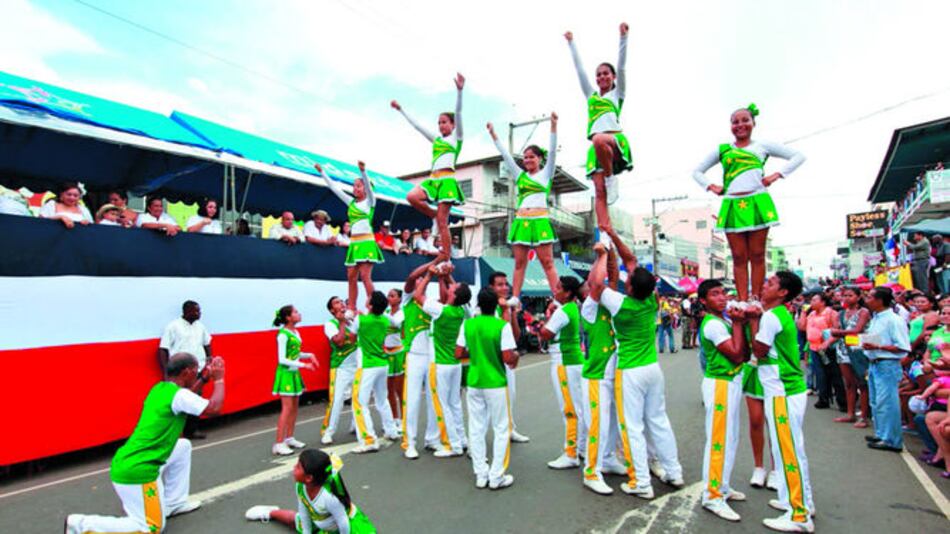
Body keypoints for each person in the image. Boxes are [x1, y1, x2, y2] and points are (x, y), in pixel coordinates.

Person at [65, 354, 225, 533]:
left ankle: (174, 503)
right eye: (195, 371)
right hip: (138, 470)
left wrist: (204, 378)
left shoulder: (160, 389)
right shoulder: (178, 395)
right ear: (186, 372)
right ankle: (81, 524)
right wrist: (219, 379)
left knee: (182, 446)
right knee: (152, 527)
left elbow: (187, 398)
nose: (197, 374)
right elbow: (214, 408)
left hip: (128, 462)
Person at [589, 227, 684, 500]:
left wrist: (603, 252)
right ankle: (673, 471)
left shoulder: (620, 304)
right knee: (658, 421)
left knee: (632, 426)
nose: (627, 276)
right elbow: (631, 262)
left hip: (629, 370)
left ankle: (641, 481)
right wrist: (614, 238)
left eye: (628, 279)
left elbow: (596, 285)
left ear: (630, 287)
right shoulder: (652, 301)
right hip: (653, 369)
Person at [692, 104, 806, 302]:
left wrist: (776, 175)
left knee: (757, 254)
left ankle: (755, 297)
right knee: (738, 256)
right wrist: (712, 186)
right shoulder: (724, 149)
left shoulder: (762, 146)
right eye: (735, 122)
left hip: (757, 202)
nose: (740, 125)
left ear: (753, 123)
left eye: (745, 120)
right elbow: (697, 171)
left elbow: (798, 156)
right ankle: (742, 299)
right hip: (732, 204)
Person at [747, 271, 815, 532]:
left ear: (783, 292)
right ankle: (801, 502)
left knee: (787, 451)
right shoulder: (779, 314)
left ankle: (799, 515)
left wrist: (753, 320)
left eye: (770, 283)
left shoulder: (772, 316)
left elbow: (759, 350)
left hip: (782, 391)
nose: (764, 286)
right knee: (792, 449)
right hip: (786, 390)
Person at [486, 112, 560, 303]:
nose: (527, 160)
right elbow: (505, 155)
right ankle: (516, 297)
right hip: (522, 221)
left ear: (539, 159)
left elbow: (552, 152)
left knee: (547, 263)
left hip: (540, 221)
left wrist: (553, 126)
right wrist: (494, 134)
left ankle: (558, 297)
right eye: (525, 157)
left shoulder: (546, 174)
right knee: (519, 263)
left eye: (531, 157)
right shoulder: (520, 175)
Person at [391, 73, 466, 260]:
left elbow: (458, 112)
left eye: (444, 122)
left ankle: (446, 254)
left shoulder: (456, 139)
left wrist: (459, 91)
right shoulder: (436, 140)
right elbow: (417, 126)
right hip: (433, 179)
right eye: (439, 123)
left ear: (453, 125)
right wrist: (401, 110)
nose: (441, 126)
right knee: (412, 196)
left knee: (443, 222)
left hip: (447, 180)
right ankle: (433, 214)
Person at [564, 23, 630, 228]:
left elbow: (621, 66)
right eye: (599, 74)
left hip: (613, 140)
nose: (602, 77)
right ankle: (605, 234)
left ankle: (611, 176)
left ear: (613, 78)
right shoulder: (591, 96)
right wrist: (571, 43)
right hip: (597, 149)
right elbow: (579, 69)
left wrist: (623, 38)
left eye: (606, 74)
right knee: (599, 193)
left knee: (599, 138)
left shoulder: (617, 94)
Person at [456, 286, 519, 490]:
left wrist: (477, 352)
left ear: (479, 305)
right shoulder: (502, 326)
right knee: (501, 428)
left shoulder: (468, 324)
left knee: (476, 427)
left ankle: (480, 474)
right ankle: (496, 475)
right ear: (496, 306)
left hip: (474, 380)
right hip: (495, 382)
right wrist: (516, 356)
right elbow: (508, 358)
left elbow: (458, 353)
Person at [697, 279, 750, 522]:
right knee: (719, 440)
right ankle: (712, 495)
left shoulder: (723, 321)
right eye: (715, 294)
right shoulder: (713, 325)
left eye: (723, 293)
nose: (722, 297)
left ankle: (723, 485)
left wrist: (739, 323)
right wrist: (739, 323)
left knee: (730, 438)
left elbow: (745, 352)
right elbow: (738, 354)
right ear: (704, 301)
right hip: (720, 384)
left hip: (730, 382)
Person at [579, 248, 629, 495]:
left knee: (611, 424)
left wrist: (610, 255)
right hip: (597, 376)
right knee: (597, 425)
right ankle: (591, 471)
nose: (601, 289)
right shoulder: (589, 308)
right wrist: (600, 256)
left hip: (614, 375)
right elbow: (597, 282)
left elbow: (612, 279)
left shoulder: (611, 304)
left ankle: (607, 458)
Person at [244, 448, 376, 533]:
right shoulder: (301, 487)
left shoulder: (329, 498)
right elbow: (304, 511)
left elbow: (343, 524)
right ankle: (270, 512)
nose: (293, 468)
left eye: (298, 467)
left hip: (344, 530)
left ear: (309, 478)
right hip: (320, 522)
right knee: (294, 520)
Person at [415, 262, 471, 457]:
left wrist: (429, 276)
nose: (450, 287)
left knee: (442, 404)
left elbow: (418, 297)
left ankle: (452, 444)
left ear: (454, 295)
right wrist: (443, 277)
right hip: (454, 365)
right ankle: (462, 439)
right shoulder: (460, 311)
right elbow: (453, 294)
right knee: (454, 404)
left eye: (452, 287)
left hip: (439, 364)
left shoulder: (441, 310)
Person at [316, 162, 384, 312]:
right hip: (354, 243)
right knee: (351, 276)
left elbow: (368, 187)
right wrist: (322, 173)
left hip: (366, 242)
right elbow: (334, 188)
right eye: (354, 186)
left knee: (365, 276)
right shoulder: (351, 202)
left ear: (366, 189)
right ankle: (352, 307)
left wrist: (363, 172)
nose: (355, 188)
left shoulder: (370, 202)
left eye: (359, 186)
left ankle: (374, 307)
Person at [538, 276, 588, 470]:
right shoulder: (572, 308)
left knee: (569, 409)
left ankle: (571, 453)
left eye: (558, 288)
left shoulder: (563, 311)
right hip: (572, 360)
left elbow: (546, 333)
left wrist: (546, 318)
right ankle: (580, 447)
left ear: (567, 292)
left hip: (564, 361)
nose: (555, 290)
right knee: (578, 407)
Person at [399, 259, 441, 459]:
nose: (419, 281)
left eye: (422, 280)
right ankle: (410, 442)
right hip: (414, 355)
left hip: (431, 354)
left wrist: (440, 274)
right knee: (413, 399)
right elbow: (410, 278)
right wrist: (432, 269)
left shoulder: (430, 302)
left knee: (434, 399)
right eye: (419, 280)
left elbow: (447, 297)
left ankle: (432, 439)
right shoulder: (407, 299)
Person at [863, 286, 912, 452]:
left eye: (870, 297)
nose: (867, 300)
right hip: (875, 362)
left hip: (888, 364)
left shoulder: (894, 320)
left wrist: (878, 346)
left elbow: (902, 347)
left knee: (887, 403)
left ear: (879, 300)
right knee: (876, 402)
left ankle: (892, 440)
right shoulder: (876, 318)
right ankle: (882, 434)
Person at [351, 291, 400, 453]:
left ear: (370, 305)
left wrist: (351, 319)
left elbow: (352, 339)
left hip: (367, 365)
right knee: (382, 399)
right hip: (382, 363)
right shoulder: (386, 319)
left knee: (359, 402)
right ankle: (391, 430)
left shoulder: (361, 319)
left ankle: (369, 439)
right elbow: (396, 324)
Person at [159, 300, 213, 439]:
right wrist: (166, 372)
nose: (199, 313)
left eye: (199, 310)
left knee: (195, 400)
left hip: (197, 370)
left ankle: (193, 430)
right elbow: (163, 349)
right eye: (196, 311)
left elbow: (207, 343)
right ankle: (177, 432)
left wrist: (209, 360)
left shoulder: (200, 326)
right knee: (179, 402)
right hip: (180, 372)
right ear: (186, 311)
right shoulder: (173, 326)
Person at [488, 271, 531, 443]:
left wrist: (513, 312)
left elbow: (514, 335)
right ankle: (476, 444)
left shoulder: (507, 305)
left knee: (510, 396)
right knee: (488, 403)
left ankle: (510, 429)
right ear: (491, 287)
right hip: (492, 359)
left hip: (507, 358)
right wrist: (506, 308)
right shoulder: (488, 306)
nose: (504, 287)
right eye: (500, 284)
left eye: (506, 284)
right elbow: (500, 332)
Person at [272, 306, 318, 455]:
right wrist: (305, 365)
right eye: (296, 312)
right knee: (286, 409)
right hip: (285, 374)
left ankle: (289, 437)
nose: (299, 314)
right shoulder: (283, 335)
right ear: (288, 317)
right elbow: (282, 359)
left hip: (294, 373)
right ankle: (278, 443)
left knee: (294, 407)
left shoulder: (296, 332)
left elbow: (295, 354)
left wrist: (309, 355)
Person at [828, 287, 872, 427]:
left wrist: (839, 332)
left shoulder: (863, 312)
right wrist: (840, 333)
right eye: (844, 295)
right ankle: (850, 413)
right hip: (843, 350)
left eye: (850, 295)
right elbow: (836, 330)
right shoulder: (840, 313)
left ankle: (864, 416)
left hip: (859, 350)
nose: (846, 298)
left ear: (858, 297)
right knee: (849, 383)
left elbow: (857, 330)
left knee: (862, 383)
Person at [321, 297, 359, 445]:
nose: (341, 304)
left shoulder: (353, 321)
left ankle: (356, 425)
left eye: (342, 302)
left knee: (358, 398)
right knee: (337, 401)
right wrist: (342, 322)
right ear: (332, 310)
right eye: (337, 303)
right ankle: (328, 431)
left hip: (357, 365)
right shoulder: (330, 324)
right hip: (341, 367)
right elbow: (340, 341)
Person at [798, 293, 845, 410]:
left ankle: (842, 402)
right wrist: (803, 313)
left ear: (823, 302)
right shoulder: (812, 314)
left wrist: (827, 342)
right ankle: (823, 398)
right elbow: (802, 327)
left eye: (814, 300)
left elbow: (837, 331)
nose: (811, 303)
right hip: (814, 348)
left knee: (835, 375)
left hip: (828, 348)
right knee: (820, 374)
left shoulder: (831, 313)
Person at [384, 288, 406, 424]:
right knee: (388, 390)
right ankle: (394, 418)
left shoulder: (402, 313)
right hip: (386, 353)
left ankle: (404, 419)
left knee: (400, 390)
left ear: (399, 299)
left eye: (392, 296)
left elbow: (395, 323)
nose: (389, 298)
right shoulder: (386, 312)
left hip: (398, 353)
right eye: (388, 295)